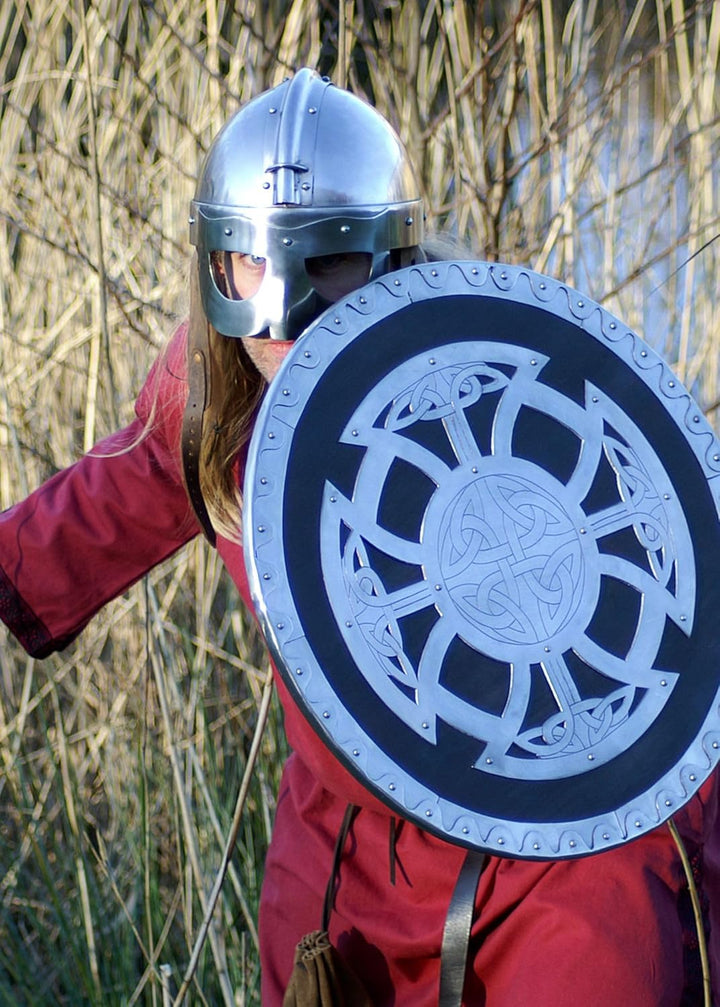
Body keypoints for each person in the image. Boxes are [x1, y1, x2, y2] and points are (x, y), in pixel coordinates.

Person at [1, 67, 719, 1007]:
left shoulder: (513, 385)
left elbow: (665, 619)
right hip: (345, 857)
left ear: (389, 256)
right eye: (253, 259)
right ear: (216, 262)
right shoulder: (213, 401)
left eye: (326, 260)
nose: (285, 303)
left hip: (557, 852)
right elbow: (81, 520)